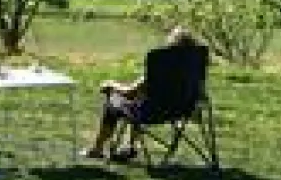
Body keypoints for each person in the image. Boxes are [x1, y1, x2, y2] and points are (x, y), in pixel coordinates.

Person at [82, 26, 198, 161]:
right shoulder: (194, 67)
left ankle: (97, 149)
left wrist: (111, 85)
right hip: (182, 110)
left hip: (151, 112)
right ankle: (129, 146)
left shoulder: (161, 62)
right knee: (141, 97)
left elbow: (129, 92)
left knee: (112, 102)